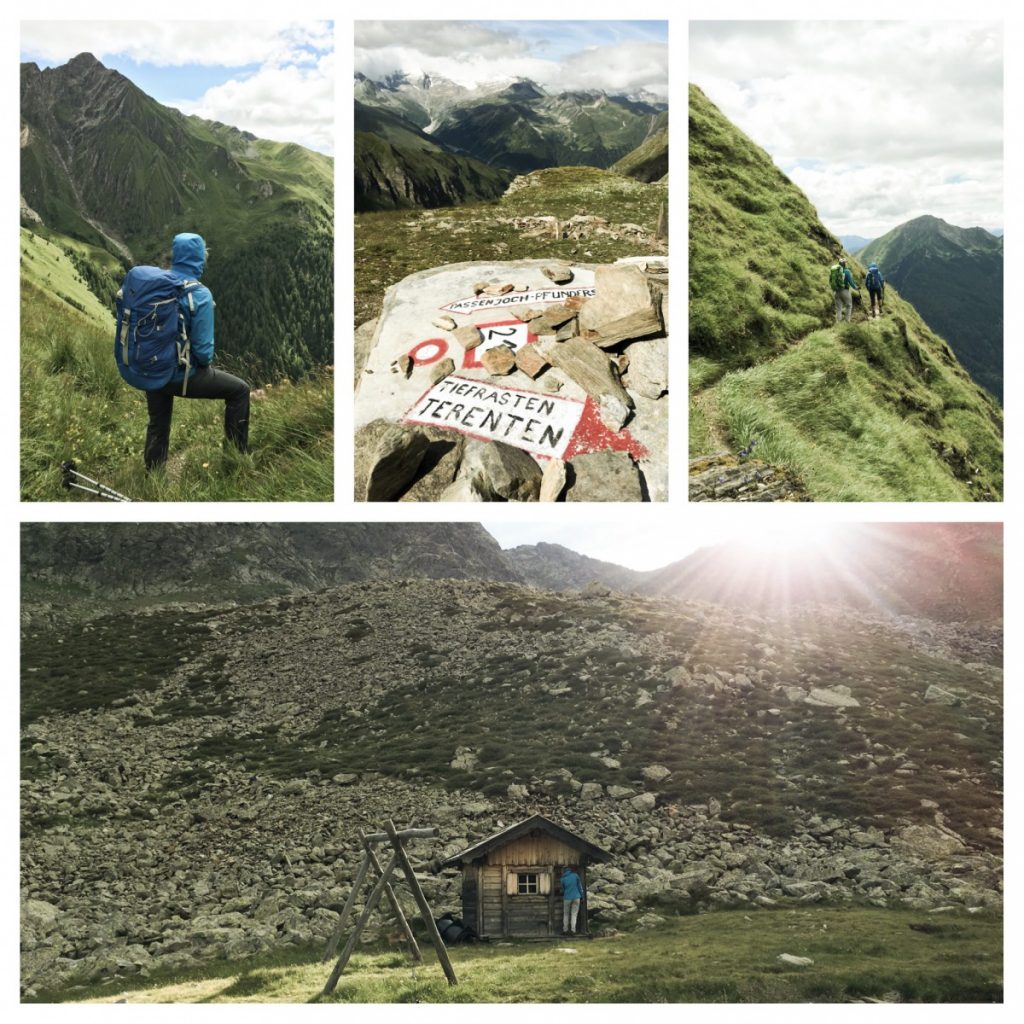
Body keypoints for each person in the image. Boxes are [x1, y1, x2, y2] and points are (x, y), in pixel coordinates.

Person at [143, 233, 251, 470]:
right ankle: (235, 461)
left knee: (158, 422)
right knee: (240, 391)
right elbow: (203, 355)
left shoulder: (155, 285)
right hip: (181, 376)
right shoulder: (199, 294)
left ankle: (153, 477)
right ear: (199, 259)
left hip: (150, 368)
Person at [829, 255, 859, 323]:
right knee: (849, 305)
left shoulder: (835, 271)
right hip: (844, 291)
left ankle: (838, 322)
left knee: (838, 308)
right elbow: (850, 282)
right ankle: (847, 322)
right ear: (844, 264)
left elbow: (830, 280)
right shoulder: (846, 271)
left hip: (836, 291)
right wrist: (856, 288)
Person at [560, 865, 584, 934]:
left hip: (567, 897)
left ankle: (565, 930)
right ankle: (573, 930)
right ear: (570, 870)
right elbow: (580, 887)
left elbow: (563, 889)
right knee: (574, 914)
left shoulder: (562, 879)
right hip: (576, 897)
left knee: (566, 914)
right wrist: (582, 897)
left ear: (564, 871)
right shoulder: (575, 876)